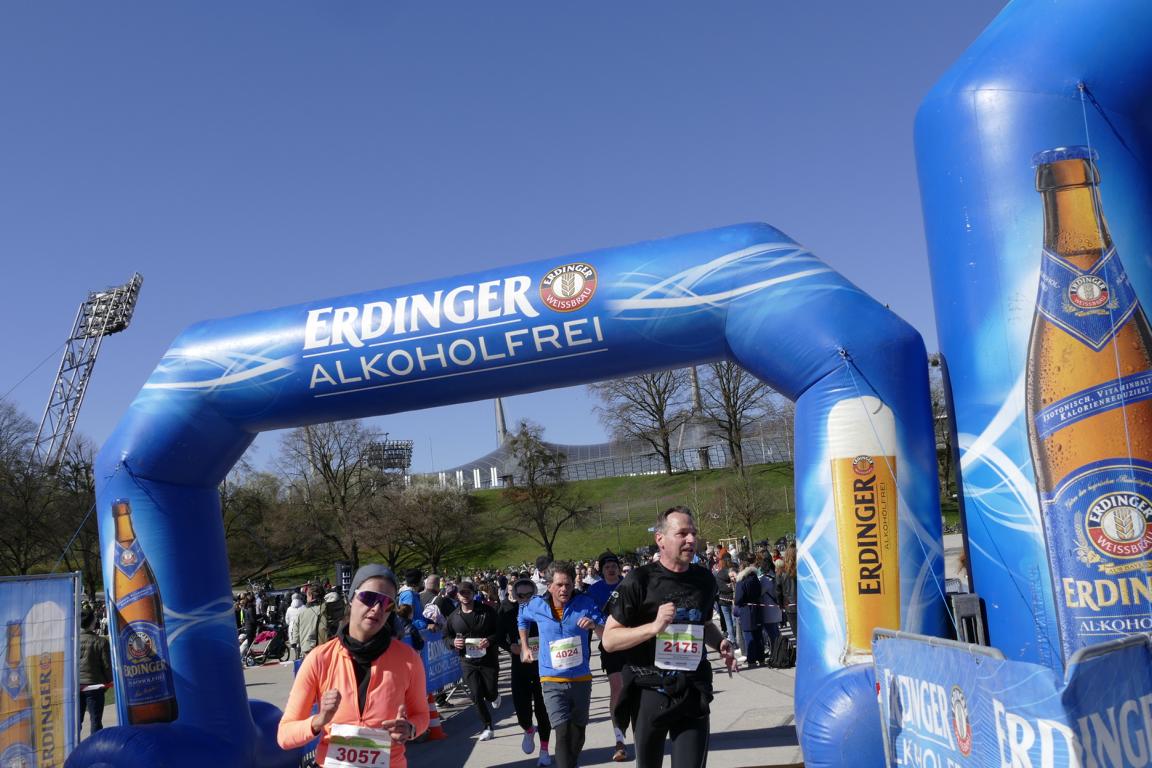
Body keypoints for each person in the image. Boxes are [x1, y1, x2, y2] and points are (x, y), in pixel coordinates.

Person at [602, 506, 738, 768]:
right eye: (682, 533)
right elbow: (609, 640)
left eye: (693, 533)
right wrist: (654, 627)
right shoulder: (639, 580)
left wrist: (720, 642)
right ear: (660, 539)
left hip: (692, 686)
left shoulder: (704, 579)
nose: (691, 539)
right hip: (649, 689)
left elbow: (704, 623)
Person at [278, 564, 429, 768]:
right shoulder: (320, 659)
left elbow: (421, 715)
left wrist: (410, 729)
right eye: (369, 597)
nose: (377, 608)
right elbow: (285, 735)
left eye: (387, 604)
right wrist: (319, 720)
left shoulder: (408, 659)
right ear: (351, 598)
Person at [518, 561, 604, 768]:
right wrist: (525, 646)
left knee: (578, 733)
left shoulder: (585, 603)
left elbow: (606, 632)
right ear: (549, 586)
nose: (564, 589)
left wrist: (594, 625)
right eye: (559, 585)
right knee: (562, 731)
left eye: (568, 584)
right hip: (551, 679)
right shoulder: (537, 605)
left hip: (581, 678)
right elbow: (522, 618)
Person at [500, 577, 553, 766]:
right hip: (520, 666)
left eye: (529, 595)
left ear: (535, 594)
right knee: (522, 709)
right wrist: (511, 646)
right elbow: (499, 636)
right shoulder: (507, 612)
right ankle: (529, 729)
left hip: (542, 667)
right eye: (521, 596)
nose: (525, 599)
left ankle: (544, 750)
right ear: (515, 596)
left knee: (543, 710)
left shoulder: (544, 610)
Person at [443, 580, 503, 741]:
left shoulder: (487, 611)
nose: (465, 596)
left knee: (490, 692)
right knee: (476, 694)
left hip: (488, 659)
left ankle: (494, 696)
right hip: (467, 661)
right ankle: (488, 726)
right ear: (457, 596)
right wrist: (453, 642)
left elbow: (500, 631)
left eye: (468, 593)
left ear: (473, 594)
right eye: (462, 593)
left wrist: (489, 640)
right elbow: (446, 637)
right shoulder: (453, 617)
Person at [585, 551, 631, 762]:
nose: (611, 569)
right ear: (601, 570)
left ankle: (642, 734)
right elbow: (593, 618)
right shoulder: (594, 590)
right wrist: (604, 633)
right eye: (607, 567)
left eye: (614, 566)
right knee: (617, 689)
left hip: (633, 641)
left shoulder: (629, 584)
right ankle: (619, 739)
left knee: (637, 690)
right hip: (610, 643)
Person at [78, 605, 112, 736]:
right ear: (92, 622)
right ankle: (95, 745)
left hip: (77, 686)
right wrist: (108, 682)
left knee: (76, 722)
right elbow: (107, 666)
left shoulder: (72, 642)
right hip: (94, 686)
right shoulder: (101, 642)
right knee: (96, 721)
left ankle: (75, 746)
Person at [733, 552, 765, 667]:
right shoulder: (755, 578)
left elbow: (738, 598)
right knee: (758, 635)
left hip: (746, 609)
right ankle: (761, 658)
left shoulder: (742, 581)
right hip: (757, 607)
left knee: (748, 636)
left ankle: (751, 660)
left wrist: (736, 601)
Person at [297, 583, 327, 656]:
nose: (306, 598)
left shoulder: (303, 613)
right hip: (328, 649)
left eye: (307, 596)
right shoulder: (327, 608)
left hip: (310, 651)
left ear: (311, 596)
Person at [779, 545, 799, 640]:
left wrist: (781, 604)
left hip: (790, 606)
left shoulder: (782, 572)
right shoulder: (803, 569)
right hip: (803, 606)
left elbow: (778, 590)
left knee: (797, 635)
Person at [284, 592, 305, 661]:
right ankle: (301, 654)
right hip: (302, 627)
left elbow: (287, 620)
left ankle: (296, 653)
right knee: (301, 641)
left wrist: (290, 623)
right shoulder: (304, 607)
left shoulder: (289, 609)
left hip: (292, 628)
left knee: (294, 642)